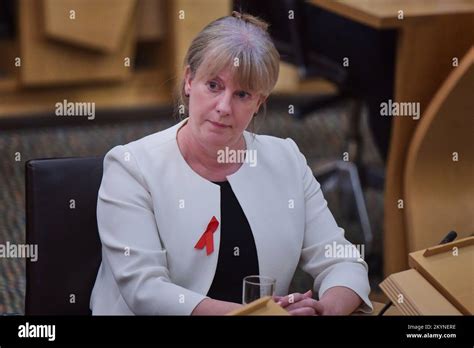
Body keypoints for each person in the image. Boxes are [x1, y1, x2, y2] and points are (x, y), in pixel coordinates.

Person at [90, 11, 372, 316]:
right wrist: (252, 315)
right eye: (213, 85)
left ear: (259, 102)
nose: (224, 107)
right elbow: (146, 291)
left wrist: (324, 310)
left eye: (242, 94)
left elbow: (343, 261)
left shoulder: (286, 160)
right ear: (188, 81)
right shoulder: (131, 167)